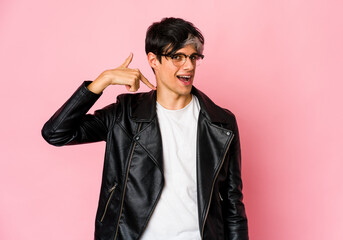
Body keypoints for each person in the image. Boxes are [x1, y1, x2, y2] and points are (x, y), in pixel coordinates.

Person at [42, 17, 249, 240]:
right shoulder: (124, 115)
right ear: (153, 60)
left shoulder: (221, 123)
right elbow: (56, 133)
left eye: (193, 57)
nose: (189, 66)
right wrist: (103, 80)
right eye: (177, 57)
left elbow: (232, 203)